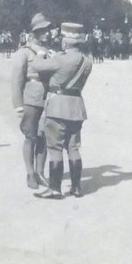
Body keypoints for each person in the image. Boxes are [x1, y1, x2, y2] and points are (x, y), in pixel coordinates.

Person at [30, 21, 94, 199]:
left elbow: (36, 66)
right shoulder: (87, 62)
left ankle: (55, 189)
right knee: (73, 147)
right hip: (76, 107)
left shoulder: (59, 59)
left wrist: (42, 54)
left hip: (58, 106)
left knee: (55, 148)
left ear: (65, 42)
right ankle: (76, 187)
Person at [9, 12, 55, 189]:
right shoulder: (24, 53)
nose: (46, 33)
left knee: (44, 137)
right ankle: (30, 173)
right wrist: (18, 105)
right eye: (42, 30)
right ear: (34, 33)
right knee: (31, 137)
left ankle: (40, 172)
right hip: (31, 99)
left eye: (47, 29)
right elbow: (17, 80)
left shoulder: (51, 51)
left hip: (48, 98)